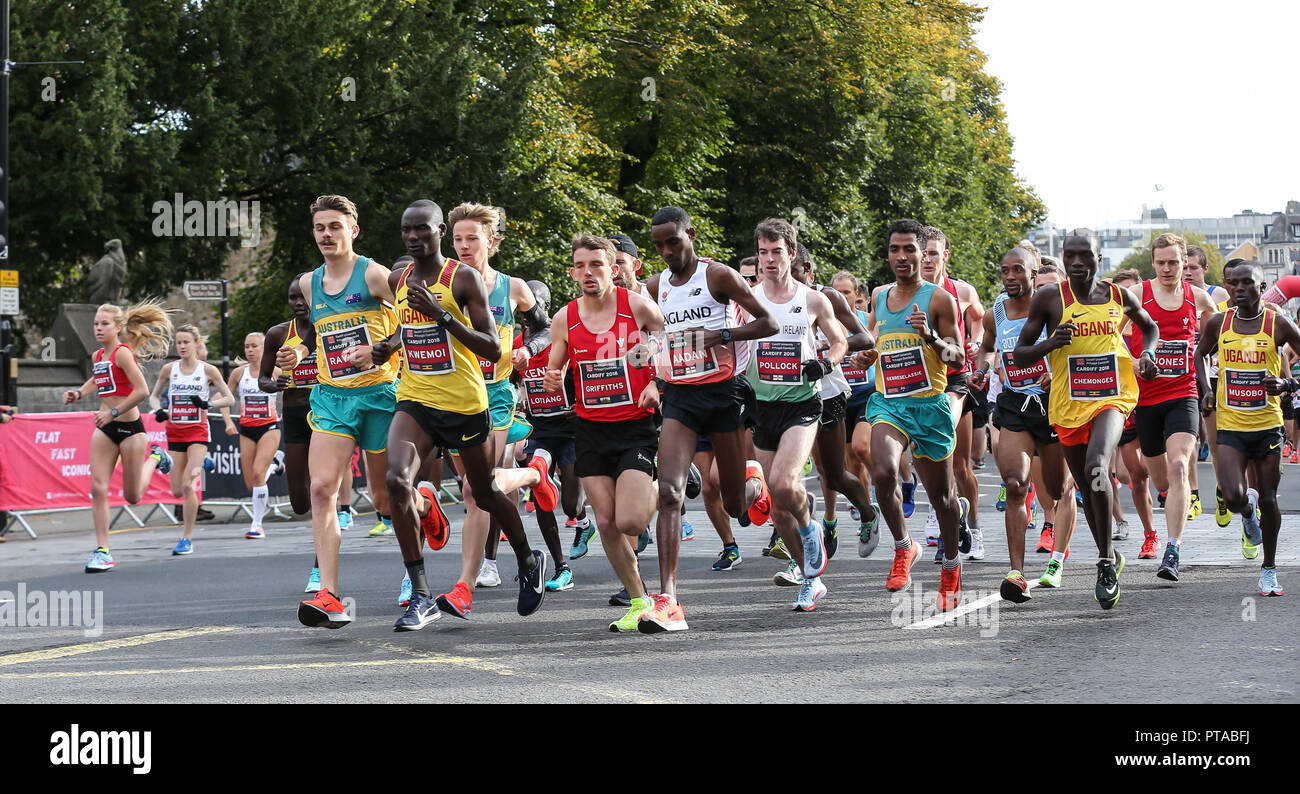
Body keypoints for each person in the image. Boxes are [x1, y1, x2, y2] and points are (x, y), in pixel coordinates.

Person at [383, 200, 552, 630]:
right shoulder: (397, 277)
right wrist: (387, 346)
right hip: (415, 397)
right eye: (406, 230)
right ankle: (420, 594)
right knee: (396, 480)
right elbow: (408, 326)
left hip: (465, 402)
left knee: (485, 492)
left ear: (438, 231)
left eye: (422, 229)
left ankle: (528, 559)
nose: (413, 236)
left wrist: (441, 315)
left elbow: (493, 348)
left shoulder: (464, 278)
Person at [642, 206, 778, 629]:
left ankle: (754, 483)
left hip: (725, 394)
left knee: (736, 506)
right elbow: (649, 340)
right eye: (659, 245)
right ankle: (668, 599)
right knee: (669, 493)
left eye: (673, 242)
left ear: (691, 235)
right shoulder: (654, 286)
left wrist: (721, 335)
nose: (666, 252)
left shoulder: (717, 276)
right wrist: (641, 368)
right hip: (681, 395)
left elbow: (768, 322)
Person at [1015, 229, 1159, 610]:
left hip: (1113, 395)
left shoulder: (1118, 296)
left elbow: (1150, 328)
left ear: (1099, 258)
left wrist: (1147, 355)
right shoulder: (1049, 297)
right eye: (1070, 256)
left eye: (1085, 255)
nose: (1077, 263)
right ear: (1062, 258)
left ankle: (1104, 563)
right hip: (1067, 402)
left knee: (1098, 465)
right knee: (1085, 485)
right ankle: (1107, 555)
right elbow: (1020, 355)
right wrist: (1051, 343)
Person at [282, 194, 402, 628]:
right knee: (321, 489)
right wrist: (295, 353)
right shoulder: (308, 283)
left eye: (335, 226)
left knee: (391, 496)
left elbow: (422, 316)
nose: (326, 235)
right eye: (319, 228)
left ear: (353, 229)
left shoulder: (374, 274)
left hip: (379, 396)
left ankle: (418, 553)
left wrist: (382, 349)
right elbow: (310, 335)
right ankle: (329, 593)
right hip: (332, 399)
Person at [545, 233, 664, 631]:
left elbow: (670, 341)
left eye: (596, 264)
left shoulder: (637, 306)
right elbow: (557, 364)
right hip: (592, 429)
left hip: (635, 427)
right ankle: (637, 600)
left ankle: (670, 486)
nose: (587, 272)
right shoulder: (565, 317)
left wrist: (656, 383)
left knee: (631, 522)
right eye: (580, 266)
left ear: (613, 270)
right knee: (608, 523)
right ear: (573, 272)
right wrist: (552, 375)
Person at [849, 220, 966, 611]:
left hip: (929, 404)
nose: (902, 257)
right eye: (895, 250)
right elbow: (871, 344)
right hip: (889, 402)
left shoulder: (938, 300)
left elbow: (958, 357)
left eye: (910, 250)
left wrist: (931, 336)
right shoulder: (880, 296)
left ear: (923, 253)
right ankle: (904, 545)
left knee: (944, 498)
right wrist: (865, 356)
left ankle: (950, 565)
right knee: (882, 471)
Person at [442, 203, 550, 591]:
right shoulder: (445, 285)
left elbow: (545, 329)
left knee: (476, 487)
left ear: (492, 240)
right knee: (474, 491)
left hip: (495, 395)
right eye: (458, 239)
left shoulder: (513, 287)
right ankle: (534, 475)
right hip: (453, 394)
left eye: (473, 238)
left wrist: (529, 351)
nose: (464, 246)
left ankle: (466, 583)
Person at [746, 219, 850, 611]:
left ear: (791, 253)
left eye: (776, 252)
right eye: (762, 253)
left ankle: (812, 531)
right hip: (763, 405)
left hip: (803, 403)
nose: (769, 260)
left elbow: (840, 340)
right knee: (777, 506)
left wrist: (825, 364)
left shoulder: (812, 300)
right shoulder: (748, 298)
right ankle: (811, 577)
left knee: (784, 481)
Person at [970, 249, 1074, 601]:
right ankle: (1016, 573)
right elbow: (987, 347)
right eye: (1005, 271)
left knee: (1059, 490)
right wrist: (982, 371)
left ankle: (1058, 557)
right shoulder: (995, 311)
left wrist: (1056, 373)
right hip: (1014, 405)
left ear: (1034, 273)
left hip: (1052, 407)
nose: (1010, 276)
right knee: (1015, 484)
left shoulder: (1052, 308)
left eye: (1018, 270)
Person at [1195, 260, 1296, 596]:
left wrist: (1284, 384)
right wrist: (1207, 391)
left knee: (1268, 497)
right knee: (1235, 496)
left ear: (1261, 286)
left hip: (1268, 425)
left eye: (1247, 283)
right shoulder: (1218, 323)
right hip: (1232, 425)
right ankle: (1245, 511)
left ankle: (1268, 569)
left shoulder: (1277, 324)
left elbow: (1292, 376)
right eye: (1233, 283)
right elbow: (1199, 356)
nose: (1239, 289)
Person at [1125, 234, 1217, 580]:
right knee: (1161, 479)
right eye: (1161, 262)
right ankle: (1170, 501)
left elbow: (1216, 334)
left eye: (1174, 262)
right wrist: (1135, 363)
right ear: (1153, 262)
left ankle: (1172, 548)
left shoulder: (1198, 298)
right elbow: (1110, 338)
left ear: (1185, 264)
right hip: (1145, 399)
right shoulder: (1137, 295)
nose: (1167, 268)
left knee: (1179, 467)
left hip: (1183, 393)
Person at [64, 301, 174, 573]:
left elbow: (141, 391)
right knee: (97, 487)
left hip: (130, 429)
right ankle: (102, 551)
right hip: (105, 428)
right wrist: (79, 393)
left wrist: (113, 412)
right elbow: (98, 379)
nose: (99, 328)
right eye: (96, 324)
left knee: (133, 496)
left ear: (118, 327)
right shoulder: (98, 355)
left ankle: (157, 457)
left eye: (104, 324)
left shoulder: (123, 354)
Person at [792, 246, 880, 567]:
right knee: (784, 474)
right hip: (784, 395)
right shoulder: (766, 296)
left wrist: (821, 347)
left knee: (834, 475)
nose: (787, 280)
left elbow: (864, 339)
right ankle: (799, 551)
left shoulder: (824, 297)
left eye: (794, 272)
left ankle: (868, 512)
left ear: (808, 272)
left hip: (826, 393)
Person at [514, 279, 589, 591]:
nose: (527, 314)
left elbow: (587, 369)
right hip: (540, 430)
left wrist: (582, 404)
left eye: (534, 306)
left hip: (570, 429)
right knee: (541, 493)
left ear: (544, 307)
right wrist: (519, 409)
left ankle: (583, 523)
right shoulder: (518, 344)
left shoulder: (562, 336)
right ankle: (561, 567)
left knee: (571, 505)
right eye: (522, 309)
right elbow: (514, 381)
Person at [920, 226, 984, 559]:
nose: (927, 259)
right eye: (923, 252)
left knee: (961, 466)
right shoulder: (907, 294)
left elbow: (980, 319)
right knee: (934, 457)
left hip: (956, 380)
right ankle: (949, 517)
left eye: (933, 253)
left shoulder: (961, 290)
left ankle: (973, 525)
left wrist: (974, 342)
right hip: (922, 383)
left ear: (945, 255)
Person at [149, 324, 235, 555]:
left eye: (186, 342)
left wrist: (208, 404)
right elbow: (154, 396)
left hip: (198, 431)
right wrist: (158, 409)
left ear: (196, 344)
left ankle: (186, 538)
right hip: (175, 430)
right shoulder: (169, 369)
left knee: (189, 486)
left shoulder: (208, 370)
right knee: (176, 491)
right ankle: (204, 462)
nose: (182, 346)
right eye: (178, 343)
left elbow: (229, 399)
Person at [1183, 245, 1233, 526]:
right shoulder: (1174, 295)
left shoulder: (1219, 296)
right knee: (1189, 437)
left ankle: (1222, 490)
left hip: (1216, 376)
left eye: (1193, 267)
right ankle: (1193, 495)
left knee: (1214, 443)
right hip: (1186, 376)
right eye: (1184, 267)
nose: (1187, 272)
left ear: (1204, 269)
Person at [227, 332, 286, 540]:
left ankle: (257, 525)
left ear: (264, 349)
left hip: (270, 427)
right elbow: (225, 397)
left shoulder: (275, 372)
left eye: (254, 346)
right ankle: (276, 463)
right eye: (247, 347)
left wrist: (285, 413)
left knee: (258, 473)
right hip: (247, 428)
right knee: (251, 483)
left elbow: (293, 392)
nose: (250, 350)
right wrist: (227, 421)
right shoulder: (238, 374)